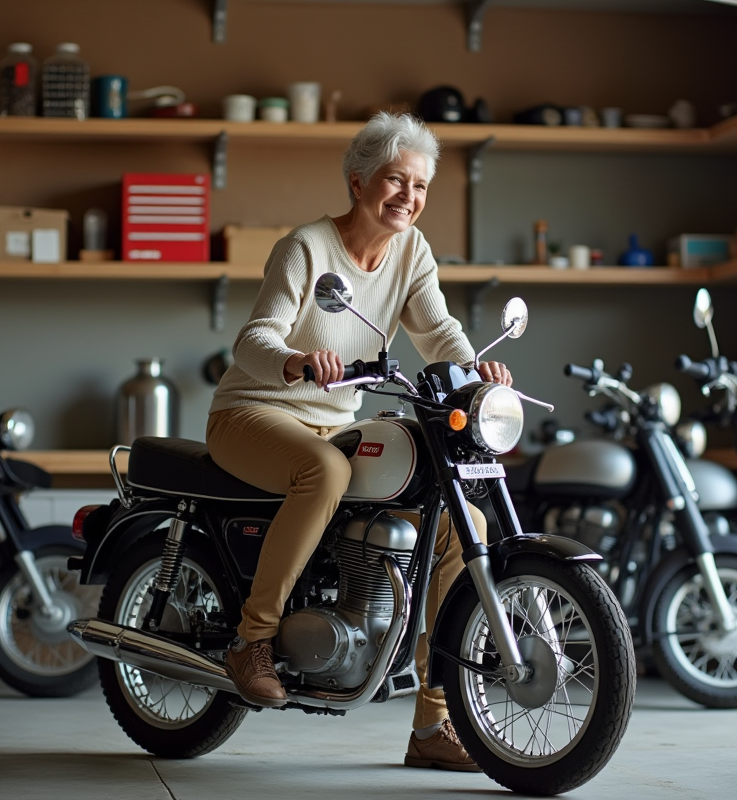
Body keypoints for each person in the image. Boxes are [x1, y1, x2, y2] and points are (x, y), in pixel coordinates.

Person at [206, 111, 512, 772]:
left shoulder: (412, 251)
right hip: (255, 411)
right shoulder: (306, 248)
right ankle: (251, 640)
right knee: (325, 472)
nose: (409, 196)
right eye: (395, 180)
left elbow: (438, 332)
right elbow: (254, 339)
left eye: (421, 185)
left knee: (462, 524)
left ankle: (435, 719)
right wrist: (295, 361)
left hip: (333, 423)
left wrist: (474, 371)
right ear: (358, 181)